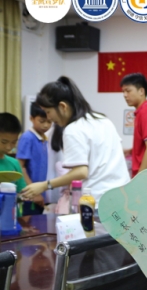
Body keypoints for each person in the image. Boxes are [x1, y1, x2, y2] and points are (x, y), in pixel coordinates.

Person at [21, 76, 130, 205]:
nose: (48, 118)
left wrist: (45, 185)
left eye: (48, 112)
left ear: (63, 106)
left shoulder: (73, 129)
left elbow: (81, 172)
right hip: (124, 196)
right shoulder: (103, 120)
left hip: (99, 200)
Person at [16, 102, 51, 215]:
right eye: (42, 121)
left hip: (39, 193)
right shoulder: (27, 137)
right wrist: (33, 192)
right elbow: (20, 166)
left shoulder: (44, 139)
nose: (46, 125)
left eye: (49, 122)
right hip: (29, 195)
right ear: (31, 118)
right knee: (29, 223)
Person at [0, 113, 27, 193]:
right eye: (4, 142)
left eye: (14, 142)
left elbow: (21, 192)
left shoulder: (15, 163)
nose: (9, 147)